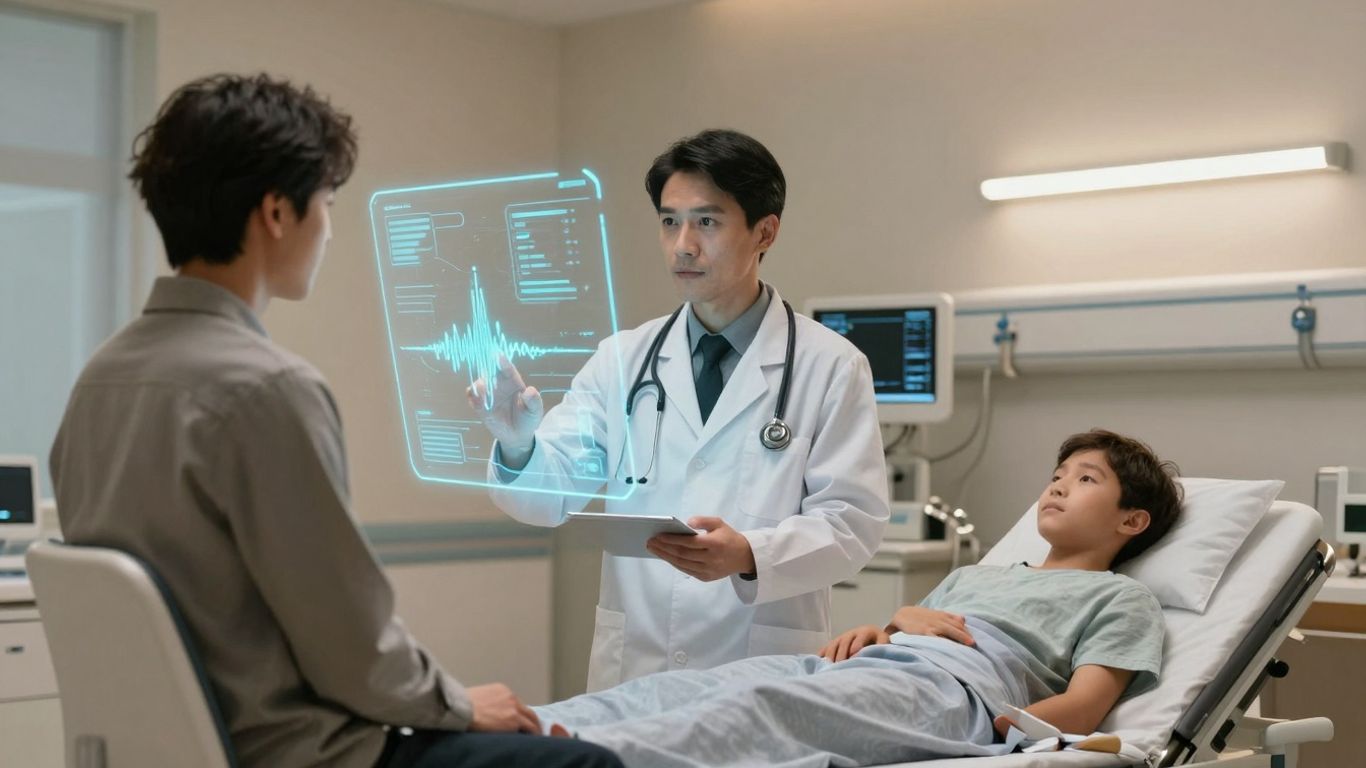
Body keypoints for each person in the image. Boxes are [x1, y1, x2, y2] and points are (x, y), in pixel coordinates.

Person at [49, 73, 621, 768]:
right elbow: (353, 652)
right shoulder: (268, 390)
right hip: (296, 754)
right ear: (276, 213)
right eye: (325, 201)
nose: (327, 227)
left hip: (163, 750)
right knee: (588, 762)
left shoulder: (98, 382)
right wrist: (464, 704)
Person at [470, 129, 890, 691]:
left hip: (761, 674)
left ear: (765, 231)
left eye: (707, 222)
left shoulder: (831, 366)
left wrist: (749, 553)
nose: (683, 245)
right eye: (670, 221)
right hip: (637, 672)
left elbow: (852, 523)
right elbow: (553, 496)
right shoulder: (622, 359)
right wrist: (520, 446)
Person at [527, 429, 1183, 767]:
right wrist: (885, 627)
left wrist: (1009, 730)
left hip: (956, 697)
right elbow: (910, 628)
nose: (1059, 487)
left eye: (1086, 479)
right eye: (1056, 475)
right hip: (876, 668)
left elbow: (1086, 704)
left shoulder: (1120, 599)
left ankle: (569, 758)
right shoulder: (983, 573)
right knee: (706, 687)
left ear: (1132, 522)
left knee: (765, 709)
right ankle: (516, 729)